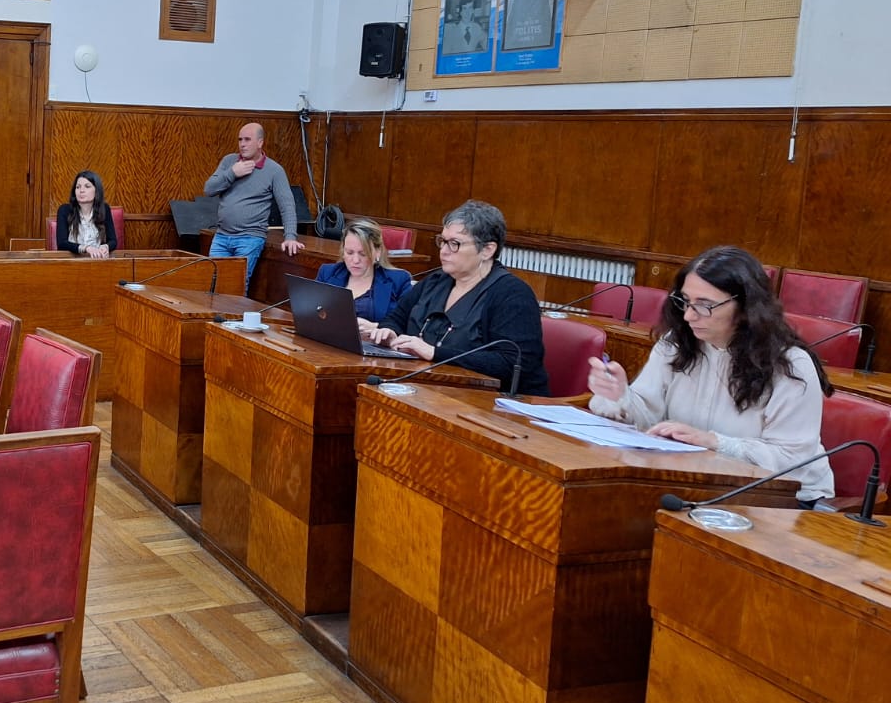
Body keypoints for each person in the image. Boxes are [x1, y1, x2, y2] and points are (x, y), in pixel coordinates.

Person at [586, 245, 833, 505]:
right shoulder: (677, 343)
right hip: (698, 482)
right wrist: (619, 397)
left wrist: (713, 442)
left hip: (782, 498)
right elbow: (650, 417)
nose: (688, 315)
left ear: (746, 307)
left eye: (705, 305)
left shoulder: (791, 365)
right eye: (685, 301)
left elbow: (793, 461)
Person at [364, 199, 548, 395]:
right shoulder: (435, 281)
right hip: (424, 388)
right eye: (443, 241)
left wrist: (434, 353)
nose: (443, 251)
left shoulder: (513, 294)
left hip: (490, 401)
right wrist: (389, 331)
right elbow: (396, 318)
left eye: (455, 244)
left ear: (487, 250)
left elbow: (514, 363)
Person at [204, 122, 303, 287]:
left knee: (236, 285)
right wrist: (232, 173)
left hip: (249, 238)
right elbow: (209, 189)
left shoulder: (274, 170)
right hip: (221, 235)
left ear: (260, 142)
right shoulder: (229, 161)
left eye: (247, 139)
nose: (242, 144)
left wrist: (290, 237)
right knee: (212, 283)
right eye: (240, 139)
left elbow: (287, 205)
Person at [315, 219, 412, 322]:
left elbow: (407, 323)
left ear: (378, 252)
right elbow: (313, 310)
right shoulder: (327, 273)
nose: (355, 260)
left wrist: (376, 327)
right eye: (349, 252)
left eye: (363, 254)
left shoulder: (399, 280)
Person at [55, 170, 118, 259]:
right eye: (78, 187)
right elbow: (62, 244)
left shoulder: (104, 209)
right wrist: (86, 248)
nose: (81, 190)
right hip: (71, 261)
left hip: (97, 260)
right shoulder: (64, 210)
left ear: (96, 190)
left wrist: (105, 247)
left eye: (87, 186)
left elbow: (113, 241)